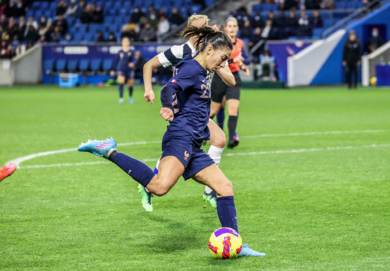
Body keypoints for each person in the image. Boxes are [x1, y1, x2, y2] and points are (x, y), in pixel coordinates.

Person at [78, 26, 265, 257]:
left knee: (225, 187)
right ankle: (109, 151)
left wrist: (221, 67)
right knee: (159, 187)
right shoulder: (191, 68)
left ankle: (236, 243)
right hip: (181, 137)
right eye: (222, 58)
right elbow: (169, 88)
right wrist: (168, 106)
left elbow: (227, 81)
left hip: (193, 143)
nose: (223, 63)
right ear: (208, 50)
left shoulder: (205, 69)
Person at [142, 14, 235, 211]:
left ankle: (210, 189)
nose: (199, 34)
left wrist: (218, 63)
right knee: (185, 147)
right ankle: (151, 183)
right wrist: (148, 89)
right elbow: (149, 65)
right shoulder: (180, 51)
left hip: (199, 107)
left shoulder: (212, 53)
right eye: (197, 29)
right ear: (191, 31)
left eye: (204, 29)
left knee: (217, 140)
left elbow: (232, 81)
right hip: (183, 108)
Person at [209, 17, 250, 149]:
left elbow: (245, 59)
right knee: (213, 111)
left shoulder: (240, 43)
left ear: (237, 28)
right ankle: (200, 134)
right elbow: (217, 62)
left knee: (233, 109)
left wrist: (242, 65)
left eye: (234, 26)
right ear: (225, 28)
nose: (232, 28)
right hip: (220, 77)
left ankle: (232, 138)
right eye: (230, 26)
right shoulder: (220, 43)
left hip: (234, 78)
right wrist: (234, 61)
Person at [110, 37, 135, 103]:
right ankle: (121, 98)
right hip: (121, 69)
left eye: (127, 41)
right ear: (122, 43)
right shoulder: (120, 52)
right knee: (121, 82)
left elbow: (134, 60)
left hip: (129, 70)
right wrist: (113, 69)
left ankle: (130, 97)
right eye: (124, 42)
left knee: (130, 84)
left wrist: (132, 63)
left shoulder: (131, 51)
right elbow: (115, 61)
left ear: (129, 42)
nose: (126, 43)